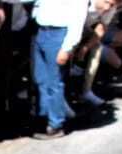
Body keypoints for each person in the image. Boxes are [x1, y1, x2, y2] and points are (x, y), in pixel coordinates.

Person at [29, 0, 88, 138]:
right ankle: (43, 118)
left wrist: (67, 48)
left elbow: (78, 20)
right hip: (41, 30)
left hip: (58, 34)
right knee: (40, 78)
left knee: (54, 81)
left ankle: (55, 124)